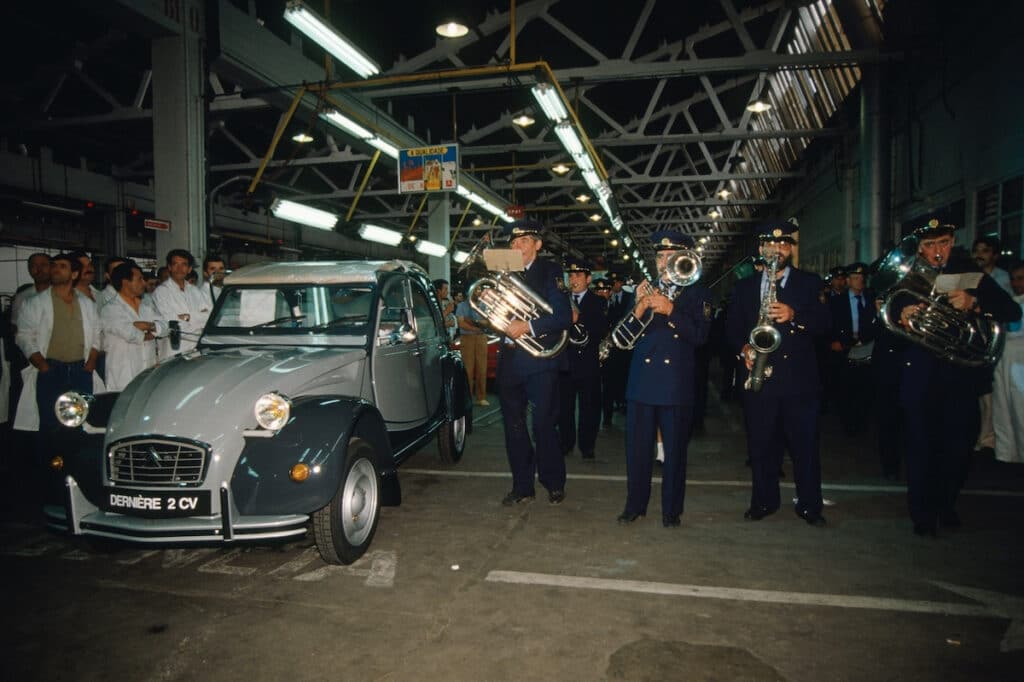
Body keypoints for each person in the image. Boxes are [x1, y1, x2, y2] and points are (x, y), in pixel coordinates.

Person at [893, 220, 1020, 536]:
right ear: (920, 247)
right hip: (920, 376)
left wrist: (974, 303)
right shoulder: (906, 273)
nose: (938, 252)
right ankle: (922, 514)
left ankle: (945, 503)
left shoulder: (968, 273)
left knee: (958, 449)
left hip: (960, 377)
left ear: (953, 241)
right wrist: (902, 314)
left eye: (944, 243)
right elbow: (889, 308)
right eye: (931, 245)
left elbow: (1010, 310)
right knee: (921, 448)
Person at [726, 220, 831, 526]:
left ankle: (810, 505)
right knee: (761, 445)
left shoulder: (810, 283)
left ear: (790, 249)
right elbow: (732, 328)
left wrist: (794, 315)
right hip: (760, 378)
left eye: (784, 244)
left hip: (800, 383)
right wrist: (744, 349)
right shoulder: (744, 288)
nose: (777, 249)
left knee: (806, 448)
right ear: (761, 249)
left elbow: (826, 324)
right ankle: (763, 501)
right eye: (771, 245)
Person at [617, 232, 711, 528]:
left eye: (670, 257)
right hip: (641, 383)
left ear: (683, 259)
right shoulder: (643, 290)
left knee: (674, 453)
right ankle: (635, 506)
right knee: (637, 451)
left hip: (674, 385)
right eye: (659, 257)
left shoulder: (698, 294)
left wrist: (671, 310)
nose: (664, 262)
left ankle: (671, 511)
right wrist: (640, 307)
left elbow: (700, 337)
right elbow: (621, 339)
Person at [495, 219, 572, 506]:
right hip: (510, 361)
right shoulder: (503, 272)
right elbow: (496, 313)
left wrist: (527, 326)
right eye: (513, 242)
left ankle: (553, 482)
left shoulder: (550, 272)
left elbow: (563, 316)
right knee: (514, 427)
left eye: (523, 241)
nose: (516, 246)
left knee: (543, 424)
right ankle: (522, 485)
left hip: (540, 360)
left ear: (538, 245)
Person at [14, 253, 102, 434]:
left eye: (62, 266)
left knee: (80, 422)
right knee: (50, 423)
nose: (55, 269)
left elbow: (96, 334)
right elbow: (23, 336)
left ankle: (74, 461)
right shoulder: (35, 303)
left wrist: (91, 362)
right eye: (54, 266)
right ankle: (48, 461)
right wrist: (42, 365)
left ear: (74, 274)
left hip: (81, 370)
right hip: (51, 370)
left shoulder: (87, 303)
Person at [559, 259, 607, 460]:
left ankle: (587, 446)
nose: (573, 280)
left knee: (590, 407)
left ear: (588, 279)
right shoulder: (561, 299)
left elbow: (601, 329)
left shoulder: (598, 302)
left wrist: (580, 320)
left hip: (588, 362)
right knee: (564, 408)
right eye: (570, 276)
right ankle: (566, 444)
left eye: (578, 276)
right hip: (565, 362)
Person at [970, 235, 1012, 458]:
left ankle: (990, 439)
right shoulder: (969, 277)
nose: (979, 255)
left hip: (996, 341)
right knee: (979, 393)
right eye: (977, 250)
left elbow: (1008, 309)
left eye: (985, 251)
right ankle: (981, 436)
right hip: (975, 341)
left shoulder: (1004, 278)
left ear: (994, 255)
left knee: (993, 392)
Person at [828, 262, 877, 435]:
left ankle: (862, 424)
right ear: (848, 281)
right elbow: (829, 325)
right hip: (844, 348)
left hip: (867, 348)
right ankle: (848, 425)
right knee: (846, 389)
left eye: (862, 278)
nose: (859, 281)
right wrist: (833, 341)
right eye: (855, 278)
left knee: (864, 388)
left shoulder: (871, 299)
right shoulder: (836, 302)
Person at [101, 261, 164, 391]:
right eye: (140, 279)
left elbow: (164, 326)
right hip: (123, 374)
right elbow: (130, 334)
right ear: (126, 282)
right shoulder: (110, 309)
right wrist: (151, 330)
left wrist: (146, 325)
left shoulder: (146, 306)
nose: (144, 283)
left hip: (147, 369)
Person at [151, 249, 212, 358]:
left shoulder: (194, 290)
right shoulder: (161, 292)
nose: (179, 269)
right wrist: (197, 318)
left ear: (189, 269)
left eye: (184, 265)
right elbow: (171, 324)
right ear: (169, 267)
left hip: (196, 348)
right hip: (173, 350)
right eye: (175, 264)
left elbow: (208, 316)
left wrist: (187, 317)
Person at [992, 261, 1024, 465]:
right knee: (1003, 408)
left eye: (1021, 278)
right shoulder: (1010, 301)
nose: (1015, 283)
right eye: (1013, 279)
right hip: (1004, 359)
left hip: (1020, 361)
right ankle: (1007, 454)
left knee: (1020, 409)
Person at [603, 272, 633, 425]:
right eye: (612, 282)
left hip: (624, 347)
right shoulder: (604, 298)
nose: (614, 285)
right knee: (608, 381)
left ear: (621, 283)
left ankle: (623, 403)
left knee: (623, 377)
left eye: (616, 282)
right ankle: (607, 413)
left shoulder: (630, 298)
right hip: (608, 348)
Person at [456, 285, 490, 406]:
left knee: (482, 368)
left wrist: (471, 321)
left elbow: (487, 322)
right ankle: (467, 398)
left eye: (479, 289)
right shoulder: (461, 306)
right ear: (469, 291)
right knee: (468, 369)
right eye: (475, 289)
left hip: (481, 338)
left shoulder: (484, 306)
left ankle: (481, 397)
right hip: (467, 339)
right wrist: (477, 327)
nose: (478, 292)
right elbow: (461, 323)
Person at [10, 253, 51, 330]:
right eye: (34, 266)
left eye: (43, 265)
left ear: (52, 268)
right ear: (29, 270)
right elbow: (16, 326)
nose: (39, 269)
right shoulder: (22, 297)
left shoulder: (63, 294)